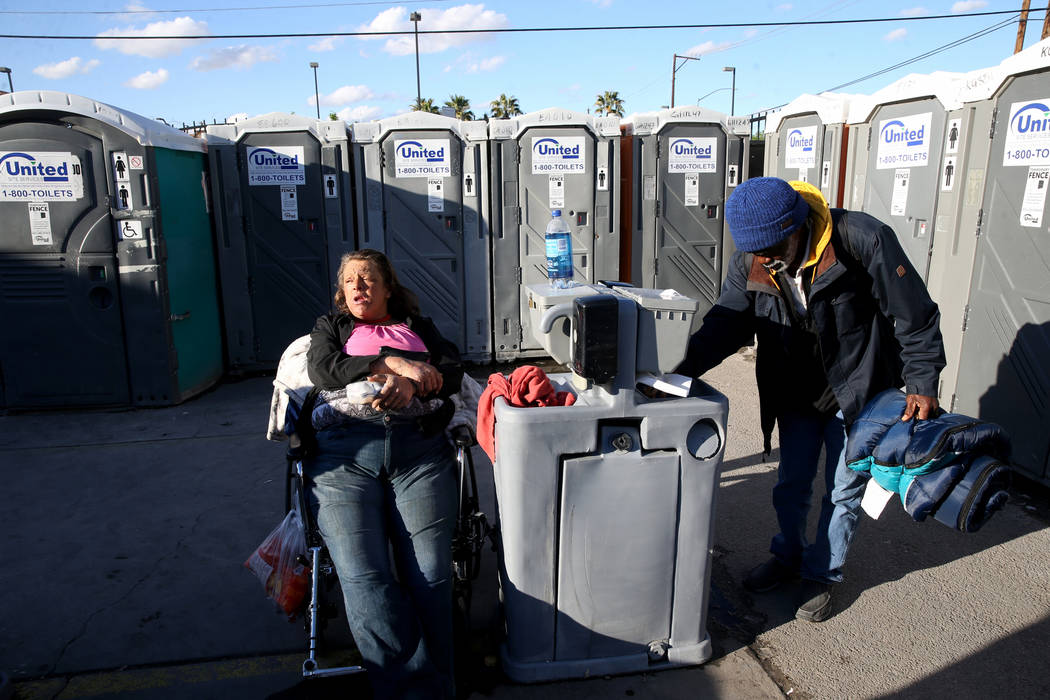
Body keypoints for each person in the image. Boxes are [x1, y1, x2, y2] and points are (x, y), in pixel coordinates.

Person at [675, 177, 945, 622]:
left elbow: (914, 315)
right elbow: (726, 323)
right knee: (791, 485)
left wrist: (922, 382)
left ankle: (823, 573)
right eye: (756, 251)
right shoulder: (754, 258)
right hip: (797, 391)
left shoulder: (862, 239)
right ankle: (787, 556)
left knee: (843, 491)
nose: (764, 259)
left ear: (797, 226)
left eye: (773, 248)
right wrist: (676, 371)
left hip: (858, 390)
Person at [304, 249, 463, 698]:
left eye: (369, 278)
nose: (358, 286)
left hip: (418, 451)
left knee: (431, 574)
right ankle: (416, 690)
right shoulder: (330, 328)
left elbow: (451, 370)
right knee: (364, 575)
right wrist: (391, 363)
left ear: (388, 288)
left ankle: (437, 683)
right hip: (344, 454)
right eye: (350, 280)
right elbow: (323, 370)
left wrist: (412, 383)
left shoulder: (419, 327)